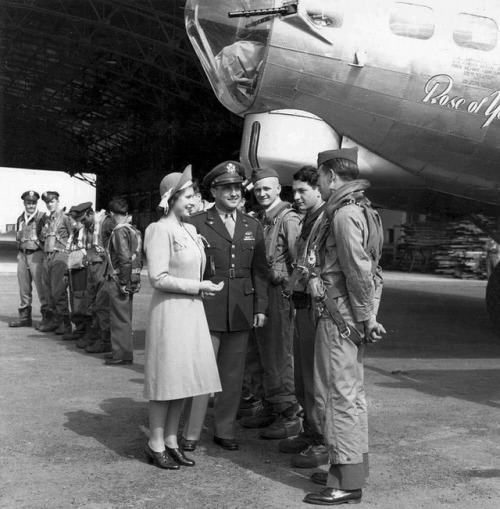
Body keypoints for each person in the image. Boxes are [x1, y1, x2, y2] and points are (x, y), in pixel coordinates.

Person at [303, 148, 385, 506]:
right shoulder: (360, 208)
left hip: (340, 317)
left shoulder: (345, 213)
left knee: (337, 397)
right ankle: (349, 467)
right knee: (350, 395)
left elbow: (358, 269)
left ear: (332, 176)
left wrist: (367, 317)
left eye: (320, 177)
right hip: (347, 315)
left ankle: (346, 483)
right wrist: (367, 316)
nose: (318, 183)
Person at [181, 160, 269, 451]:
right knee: (201, 372)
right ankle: (191, 433)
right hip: (207, 305)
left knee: (233, 374)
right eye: (226, 188)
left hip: (241, 308)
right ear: (214, 191)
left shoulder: (252, 225)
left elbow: (260, 270)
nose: (233, 193)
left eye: (236, 187)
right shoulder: (196, 223)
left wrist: (260, 307)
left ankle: (224, 430)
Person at [143, 165, 223, 469]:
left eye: (195, 195)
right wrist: (197, 287)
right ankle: (155, 442)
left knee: (183, 379)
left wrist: (203, 287)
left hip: (191, 310)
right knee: (165, 379)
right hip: (170, 311)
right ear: (171, 198)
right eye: (188, 195)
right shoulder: (159, 229)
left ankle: (172, 440)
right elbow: (158, 277)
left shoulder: (190, 230)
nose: (193, 200)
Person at [239, 168, 302, 440]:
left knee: (278, 354)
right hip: (263, 291)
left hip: (279, 294)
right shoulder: (263, 219)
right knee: (260, 353)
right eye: (258, 189)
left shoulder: (288, 220)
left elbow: (300, 262)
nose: (262, 193)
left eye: (267, 189)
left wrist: (291, 291)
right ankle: (269, 405)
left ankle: (289, 415)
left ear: (278, 189)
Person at [279, 166, 328, 469]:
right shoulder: (307, 220)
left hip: (319, 308)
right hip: (302, 305)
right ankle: (310, 431)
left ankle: (324, 442)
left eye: (302, 191)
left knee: (319, 380)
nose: (295, 197)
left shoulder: (327, 220)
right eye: (294, 191)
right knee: (302, 377)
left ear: (319, 190)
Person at [103, 198, 142, 365]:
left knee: (119, 318)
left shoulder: (119, 231)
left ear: (112, 214)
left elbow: (124, 259)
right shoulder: (134, 231)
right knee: (126, 317)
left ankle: (121, 355)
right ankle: (122, 352)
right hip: (133, 277)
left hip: (120, 279)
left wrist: (123, 282)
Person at [9, 191, 48, 328]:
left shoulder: (43, 217)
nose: (31, 205)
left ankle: (47, 318)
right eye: (28, 203)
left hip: (36, 255)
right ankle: (24, 317)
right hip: (22, 254)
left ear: (36, 203)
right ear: (24, 203)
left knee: (41, 287)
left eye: (33, 203)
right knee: (24, 288)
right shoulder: (21, 218)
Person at [38, 191, 72, 334]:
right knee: (48, 292)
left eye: (52, 201)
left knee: (58, 292)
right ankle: (55, 321)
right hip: (47, 257)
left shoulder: (65, 218)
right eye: (47, 202)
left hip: (59, 256)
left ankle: (65, 323)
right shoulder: (47, 220)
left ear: (58, 201)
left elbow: (73, 237)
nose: (49, 204)